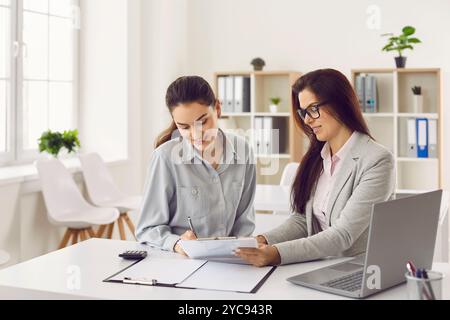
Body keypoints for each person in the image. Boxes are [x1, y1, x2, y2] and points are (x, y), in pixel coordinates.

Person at [235, 69, 395, 266]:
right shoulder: (317, 158)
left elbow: (343, 234)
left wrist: (276, 253)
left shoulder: (377, 160)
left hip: (358, 270)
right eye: (303, 112)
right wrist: (261, 241)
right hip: (317, 265)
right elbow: (303, 220)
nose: (307, 120)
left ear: (339, 104)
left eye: (313, 109)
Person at [136, 76, 256, 255]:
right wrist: (178, 243)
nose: (196, 134)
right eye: (184, 127)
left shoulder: (243, 150)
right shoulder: (164, 158)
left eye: (203, 122)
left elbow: (244, 223)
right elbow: (147, 229)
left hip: (231, 261)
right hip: (180, 262)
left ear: (217, 108)